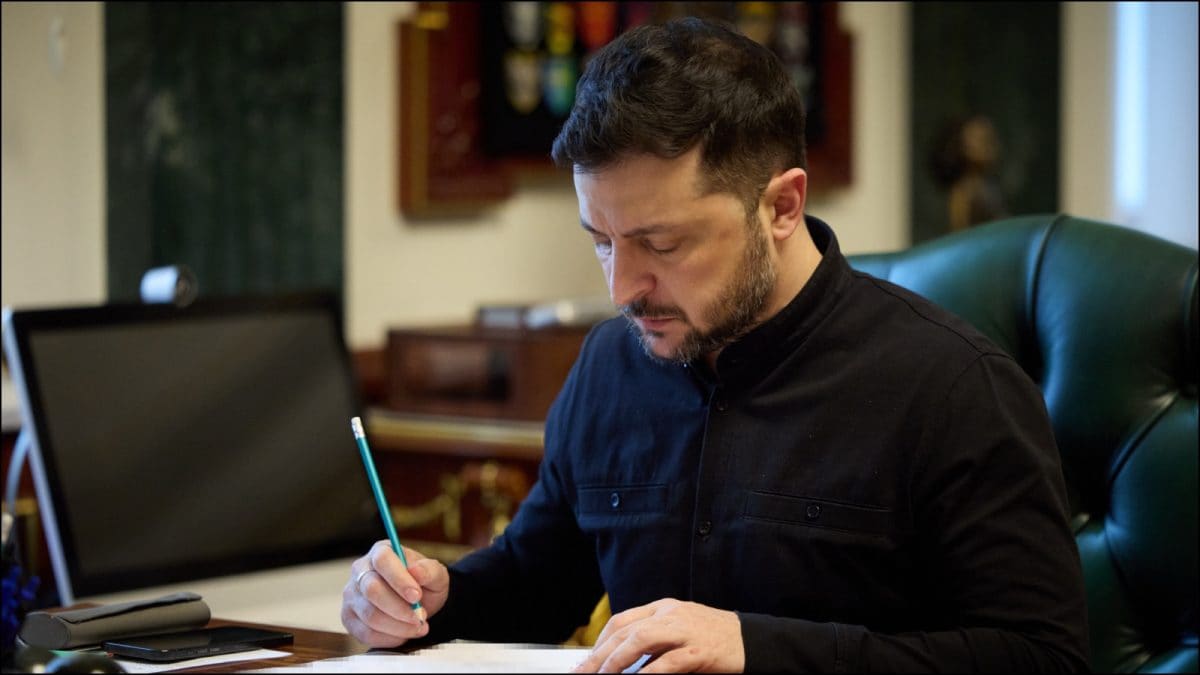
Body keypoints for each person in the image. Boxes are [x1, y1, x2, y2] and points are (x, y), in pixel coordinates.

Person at [341, 16, 1090, 673]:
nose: (622, 288)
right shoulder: (610, 365)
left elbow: (1042, 657)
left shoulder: (954, 388)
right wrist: (428, 599)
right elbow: (536, 584)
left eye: (661, 243)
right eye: (601, 241)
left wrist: (759, 649)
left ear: (782, 206)